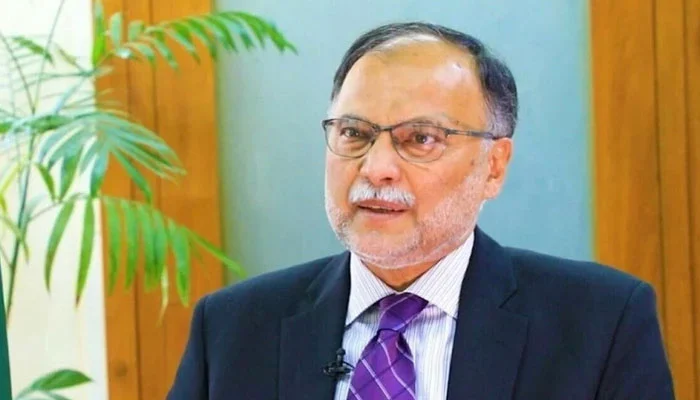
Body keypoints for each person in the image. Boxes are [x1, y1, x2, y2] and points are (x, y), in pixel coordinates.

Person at [168, 22, 674, 399]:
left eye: (421, 139)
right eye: (354, 133)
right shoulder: (232, 329)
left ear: (494, 166)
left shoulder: (600, 324)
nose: (376, 168)